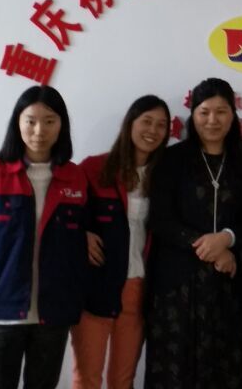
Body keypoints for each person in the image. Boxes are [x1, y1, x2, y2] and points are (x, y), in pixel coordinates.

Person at [0, 85, 88, 389]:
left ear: (62, 125)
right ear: (18, 122)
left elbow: (82, 238)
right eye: (31, 121)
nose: (39, 130)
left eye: (50, 121)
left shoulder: (76, 177)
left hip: (54, 311)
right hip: (2, 311)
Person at [143, 78, 242, 389]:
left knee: (221, 369)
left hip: (224, 288)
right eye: (204, 112)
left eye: (221, 111)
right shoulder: (172, 159)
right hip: (175, 285)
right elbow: (160, 219)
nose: (212, 120)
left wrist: (227, 239)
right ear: (192, 115)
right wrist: (208, 246)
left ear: (233, 116)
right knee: (174, 371)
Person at [70, 95, 171, 389]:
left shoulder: (164, 177)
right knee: (87, 377)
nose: (153, 130)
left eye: (161, 125)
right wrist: (80, 235)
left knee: (123, 379)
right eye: (146, 121)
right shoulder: (94, 168)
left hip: (138, 288)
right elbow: (64, 215)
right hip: (95, 285)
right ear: (130, 124)